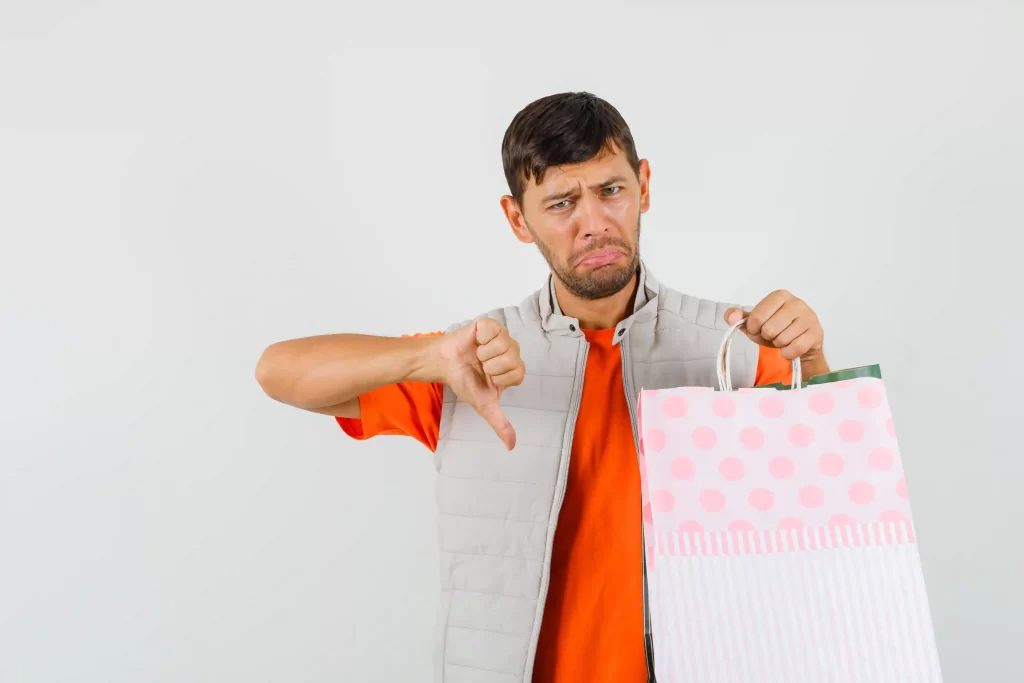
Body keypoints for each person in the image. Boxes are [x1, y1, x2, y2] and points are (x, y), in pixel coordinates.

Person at [255, 91, 829, 683]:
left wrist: (811, 361)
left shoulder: (734, 346)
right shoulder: (468, 360)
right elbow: (278, 372)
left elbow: (832, 499)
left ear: (645, 186)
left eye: (611, 190)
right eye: (561, 203)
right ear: (517, 219)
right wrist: (425, 358)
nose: (595, 224)